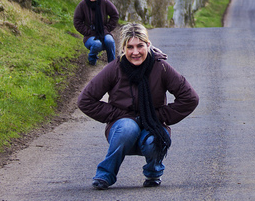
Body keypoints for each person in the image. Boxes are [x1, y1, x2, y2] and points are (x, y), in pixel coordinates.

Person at [78, 23, 198, 189]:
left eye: (140, 46)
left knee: (155, 139)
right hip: (121, 127)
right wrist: (116, 115)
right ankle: (105, 175)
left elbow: (190, 98)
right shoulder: (115, 68)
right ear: (123, 48)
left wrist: (159, 116)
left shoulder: (160, 66)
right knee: (128, 127)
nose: (135, 52)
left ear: (148, 45)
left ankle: (153, 173)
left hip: (153, 125)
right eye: (130, 47)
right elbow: (86, 100)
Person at [73, 0, 119, 65]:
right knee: (97, 44)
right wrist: (87, 31)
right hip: (90, 35)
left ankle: (112, 65)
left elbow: (115, 15)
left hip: (103, 31)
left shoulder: (104, 2)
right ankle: (92, 59)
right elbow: (77, 21)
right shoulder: (82, 5)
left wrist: (107, 28)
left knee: (110, 41)